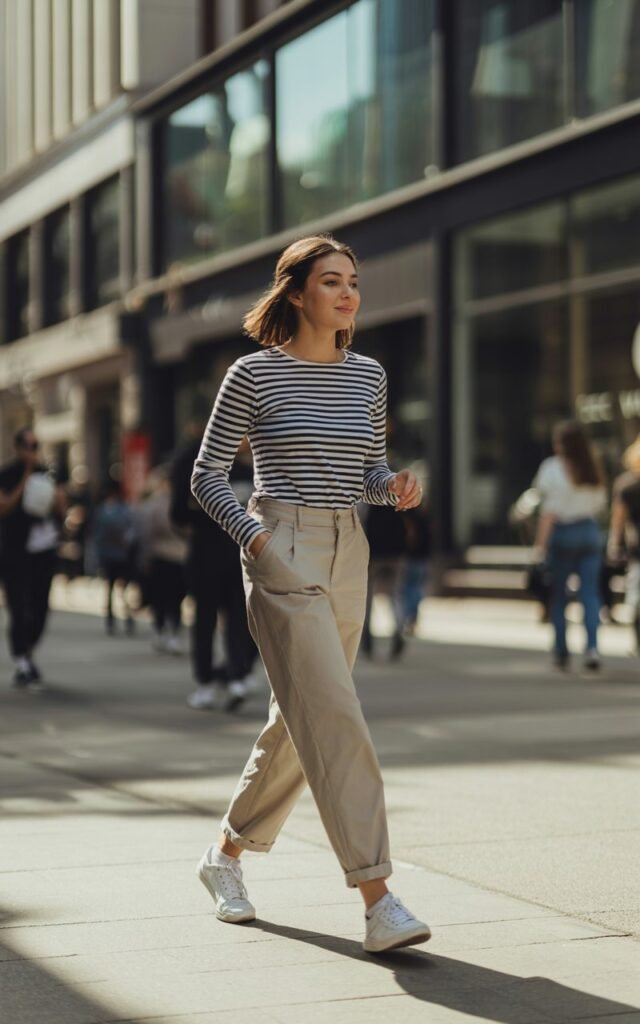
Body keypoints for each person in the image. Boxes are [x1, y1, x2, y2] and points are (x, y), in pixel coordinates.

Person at [190, 234, 430, 954]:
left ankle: (224, 857)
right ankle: (377, 896)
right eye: (332, 281)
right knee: (334, 715)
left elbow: (367, 468)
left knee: (301, 721)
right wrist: (257, 540)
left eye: (353, 280)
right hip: (282, 548)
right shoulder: (253, 374)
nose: (349, 293)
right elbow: (206, 476)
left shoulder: (367, 375)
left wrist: (391, 488)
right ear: (297, 292)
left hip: (348, 547)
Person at [170, 420, 257, 711]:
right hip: (239, 555)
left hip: (206, 552)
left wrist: (198, 525)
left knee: (205, 620)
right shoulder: (246, 469)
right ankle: (236, 676)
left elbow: (178, 515)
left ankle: (207, 682)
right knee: (237, 618)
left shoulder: (194, 465)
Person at [533, 421, 606, 671]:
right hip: (589, 530)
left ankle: (561, 650)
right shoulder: (592, 467)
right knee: (590, 594)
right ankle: (592, 648)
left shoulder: (552, 468)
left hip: (562, 532)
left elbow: (548, 513)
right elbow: (599, 504)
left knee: (559, 596)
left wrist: (539, 548)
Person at [0, 426, 65, 689]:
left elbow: (61, 512)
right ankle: (22, 661)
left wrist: (60, 501)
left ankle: (27, 652)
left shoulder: (49, 473)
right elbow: (4, 508)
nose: (33, 451)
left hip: (44, 551)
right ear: (18, 447)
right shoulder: (7, 473)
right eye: (28, 446)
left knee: (40, 609)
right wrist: (26, 477)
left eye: (36, 446)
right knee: (18, 608)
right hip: (15, 552)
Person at [138, 466, 188, 655]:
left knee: (164, 597)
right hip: (175, 556)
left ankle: (164, 631)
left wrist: (145, 557)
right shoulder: (178, 503)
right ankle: (170, 632)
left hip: (163, 556)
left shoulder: (154, 506)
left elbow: (146, 535)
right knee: (173, 598)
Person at [361, 503, 407, 659]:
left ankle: (366, 636)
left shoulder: (370, 500)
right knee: (395, 596)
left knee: (367, 598)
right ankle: (399, 631)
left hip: (374, 553)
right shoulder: (397, 498)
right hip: (395, 553)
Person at [92, 481, 137, 636]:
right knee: (112, 589)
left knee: (120, 589)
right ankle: (113, 620)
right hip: (110, 554)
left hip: (119, 554)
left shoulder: (119, 510)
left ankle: (126, 618)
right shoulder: (106, 510)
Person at [608, 435, 640, 652]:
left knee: (637, 596)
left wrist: (614, 544)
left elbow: (618, 521)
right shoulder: (626, 485)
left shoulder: (626, 485)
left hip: (637, 548)